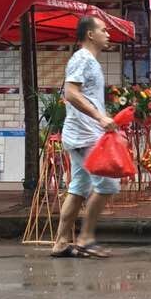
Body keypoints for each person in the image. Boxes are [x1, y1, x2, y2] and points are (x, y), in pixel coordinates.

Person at [50, 15, 120, 259]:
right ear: (90, 34)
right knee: (108, 184)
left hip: (85, 134)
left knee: (79, 188)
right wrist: (100, 118)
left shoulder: (90, 61)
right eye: (104, 30)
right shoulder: (82, 58)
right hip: (84, 136)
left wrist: (105, 119)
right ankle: (86, 238)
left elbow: (86, 97)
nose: (108, 34)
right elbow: (71, 93)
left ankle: (61, 243)